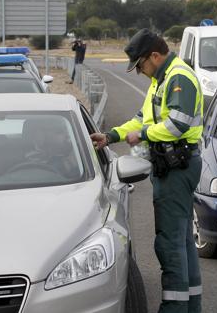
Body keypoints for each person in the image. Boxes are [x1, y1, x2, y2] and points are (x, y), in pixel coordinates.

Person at [90, 28, 204, 313]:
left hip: (178, 167)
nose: (140, 72)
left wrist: (143, 135)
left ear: (154, 55)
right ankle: (191, 305)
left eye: (140, 65)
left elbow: (177, 124)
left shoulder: (178, 77)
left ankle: (174, 308)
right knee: (182, 242)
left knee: (170, 244)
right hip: (174, 165)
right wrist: (111, 136)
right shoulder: (161, 79)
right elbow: (141, 118)